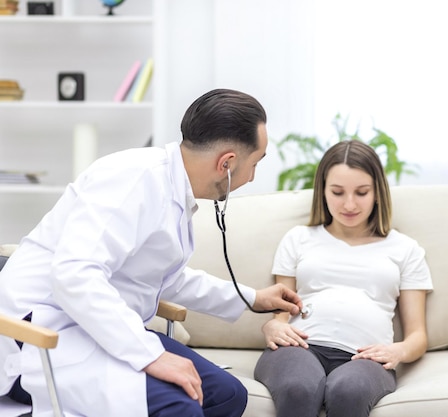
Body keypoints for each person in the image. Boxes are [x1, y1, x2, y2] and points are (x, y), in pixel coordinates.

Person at [0, 88, 303, 417]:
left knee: (227, 394)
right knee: (182, 407)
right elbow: (74, 275)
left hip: (95, 327)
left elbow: (166, 278)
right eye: (255, 163)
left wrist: (253, 298)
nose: (252, 177)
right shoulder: (133, 179)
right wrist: (152, 356)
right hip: (41, 335)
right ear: (226, 163)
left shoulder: (172, 187)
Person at [253, 140, 433, 417]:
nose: (349, 204)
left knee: (347, 390)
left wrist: (397, 352)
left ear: (377, 193)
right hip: (300, 347)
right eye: (337, 192)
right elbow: (281, 315)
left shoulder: (405, 249)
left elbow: (417, 335)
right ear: (323, 191)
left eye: (361, 192)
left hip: (365, 358)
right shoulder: (298, 238)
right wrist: (272, 327)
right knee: (298, 387)